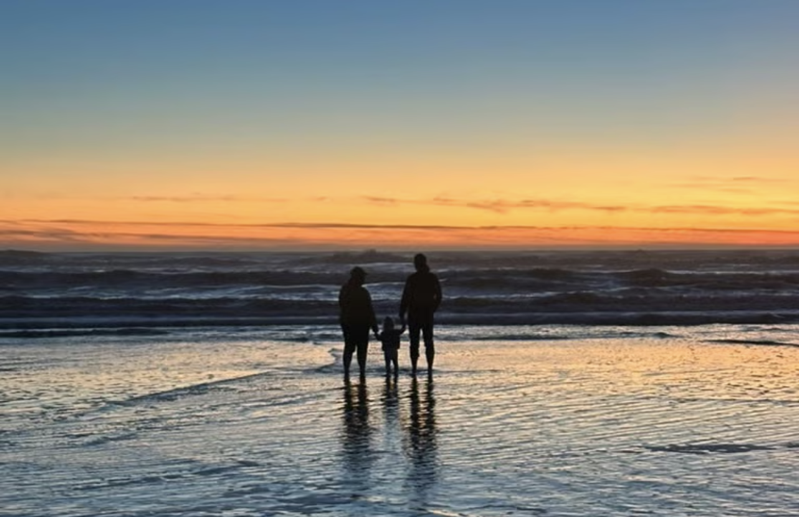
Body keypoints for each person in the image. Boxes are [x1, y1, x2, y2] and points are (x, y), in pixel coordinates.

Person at [399, 253, 442, 376]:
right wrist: (433, 308)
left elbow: (406, 296)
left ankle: (414, 367)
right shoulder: (432, 277)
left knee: (414, 342)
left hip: (415, 312)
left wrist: (402, 312)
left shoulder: (412, 278)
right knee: (428, 341)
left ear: (417, 264)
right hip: (426, 312)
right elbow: (438, 296)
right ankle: (429, 367)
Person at [339, 266, 379, 378]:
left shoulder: (345, 289)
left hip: (348, 322)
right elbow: (369, 309)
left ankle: (347, 371)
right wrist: (374, 326)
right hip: (360, 323)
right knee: (361, 348)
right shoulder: (362, 292)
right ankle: (361, 371)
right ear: (358, 277)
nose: (364, 279)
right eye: (362, 277)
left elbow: (342, 305)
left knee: (349, 347)